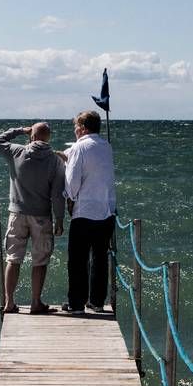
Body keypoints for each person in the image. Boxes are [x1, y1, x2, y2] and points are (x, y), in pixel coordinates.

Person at [0, 121, 66, 314]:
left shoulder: (16, 152)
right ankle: (35, 302)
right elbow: (58, 195)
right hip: (42, 216)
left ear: (31, 136)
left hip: (17, 213)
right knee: (40, 260)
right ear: (49, 138)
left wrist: (19, 130)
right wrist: (59, 219)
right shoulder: (55, 160)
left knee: (13, 258)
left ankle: (9, 302)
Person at [62, 110, 116, 314]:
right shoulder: (106, 146)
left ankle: (76, 303)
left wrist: (69, 199)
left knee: (77, 260)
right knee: (100, 258)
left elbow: (73, 181)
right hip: (106, 210)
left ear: (83, 128)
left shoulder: (79, 147)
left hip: (84, 211)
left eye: (76, 126)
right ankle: (97, 301)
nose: (75, 129)